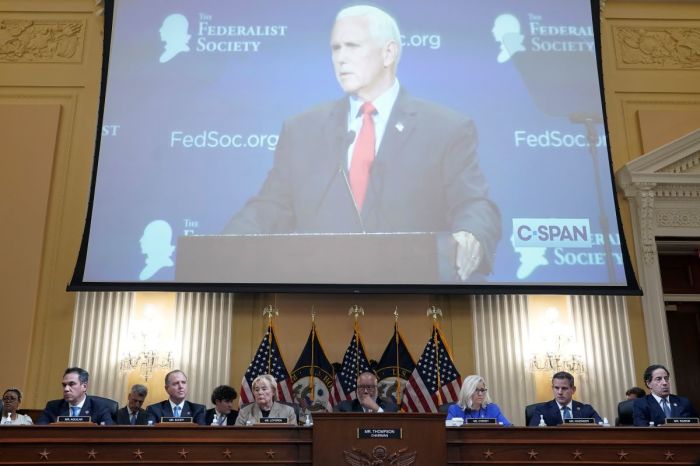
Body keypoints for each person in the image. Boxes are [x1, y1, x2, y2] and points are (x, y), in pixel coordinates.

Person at [223, 5, 501, 282]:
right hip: (321, 296)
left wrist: (471, 234)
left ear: (388, 53)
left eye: (352, 46)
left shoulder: (445, 128)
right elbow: (272, 207)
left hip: (414, 293)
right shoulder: (302, 130)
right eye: (336, 48)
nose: (341, 58)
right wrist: (226, 245)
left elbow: (474, 203)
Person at [36, 367, 114, 425]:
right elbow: (40, 430)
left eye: (71, 384)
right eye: (64, 385)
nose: (66, 389)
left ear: (84, 387)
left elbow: (107, 433)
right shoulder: (53, 407)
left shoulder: (99, 407)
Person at [633, 364, 698, 426]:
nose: (664, 383)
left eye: (666, 378)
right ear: (648, 384)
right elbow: (643, 430)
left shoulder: (683, 402)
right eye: (658, 379)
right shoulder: (641, 404)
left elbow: (696, 425)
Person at [528, 371, 602, 426]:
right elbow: (533, 434)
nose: (560, 392)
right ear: (552, 388)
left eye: (564, 388)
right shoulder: (542, 410)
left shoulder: (586, 410)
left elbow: (601, 428)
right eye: (556, 388)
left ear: (573, 390)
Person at [446, 375, 512, 426]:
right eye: (476, 390)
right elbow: (448, 432)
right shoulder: (455, 410)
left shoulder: (492, 409)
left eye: (482, 390)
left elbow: (508, 428)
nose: (480, 394)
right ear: (467, 391)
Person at [334, 371, 398, 413]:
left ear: (376, 389)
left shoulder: (390, 408)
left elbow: (391, 426)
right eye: (361, 387)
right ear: (356, 390)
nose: (365, 391)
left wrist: (377, 409)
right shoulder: (344, 408)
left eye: (369, 387)